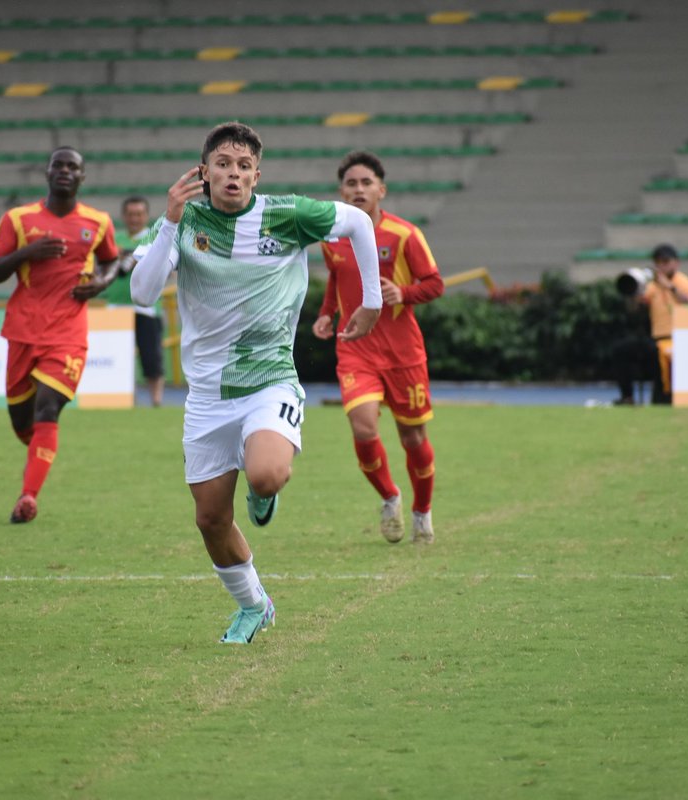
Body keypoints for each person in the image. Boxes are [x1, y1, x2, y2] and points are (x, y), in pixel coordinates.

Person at [130, 121, 382, 644]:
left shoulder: (284, 214)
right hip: (206, 395)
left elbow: (358, 221)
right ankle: (254, 605)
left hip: (269, 380)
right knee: (209, 521)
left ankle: (263, 486)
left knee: (266, 475)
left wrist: (372, 301)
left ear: (256, 175)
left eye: (244, 166)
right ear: (203, 173)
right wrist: (171, 221)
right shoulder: (184, 219)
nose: (234, 174)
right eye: (223, 164)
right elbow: (143, 292)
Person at [312, 151, 444, 545]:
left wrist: (402, 292)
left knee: (413, 439)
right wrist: (326, 313)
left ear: (381, 190)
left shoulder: (404, 235)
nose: (358, 190)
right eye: (351, 184)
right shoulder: (332, 239)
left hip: (403, 353)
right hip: (356, 348)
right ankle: (390, 497)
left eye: (366, 183)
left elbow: (434, 284)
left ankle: (422, 511)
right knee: (363, 426)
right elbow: (336, 279)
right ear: (341, 191)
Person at [0, 147, 120, 523]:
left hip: (68, 333)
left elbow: (112, 260)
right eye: (58, 164)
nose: (64, 171)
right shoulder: (18, 219)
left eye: (72, 166)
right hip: (23, 330)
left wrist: (101, 283)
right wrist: (28, 252)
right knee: (22, 422)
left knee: (48, 407)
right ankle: (42, 451)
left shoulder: (98, 221)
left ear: (82, 177)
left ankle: (28, 497)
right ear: (47, 172)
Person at [612, 244, 688, 406]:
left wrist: (670, 287)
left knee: (658, 355)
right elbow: (634, 310)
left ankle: (662, 398)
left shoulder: (687, 284)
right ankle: (627, 397)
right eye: (658, 262)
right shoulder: (652, 287)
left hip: (681, 338)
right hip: (657, 339)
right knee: (621, 350)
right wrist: (634, 293)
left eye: (666, 261)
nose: (661, 266)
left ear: (676, 263)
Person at [105, 195, 166, 407]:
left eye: (139, 214)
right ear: (123, 216)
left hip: (147, 308)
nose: (135, 218)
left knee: (151, 357)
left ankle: (156, 401)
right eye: (131, 214)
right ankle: (124, 398)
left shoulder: (157, 237)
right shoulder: (113, 240)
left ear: (147, 216)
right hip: (115, 306)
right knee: (116, 357)